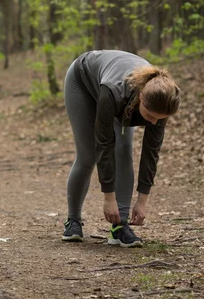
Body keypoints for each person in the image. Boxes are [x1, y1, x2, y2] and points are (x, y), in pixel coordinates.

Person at [61, 50, 180, 247]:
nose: (153, 122)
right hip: (82, 82)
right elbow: (105, 144)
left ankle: (119, 227)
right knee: (89, 154)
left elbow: (151, 153)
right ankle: (73, 220)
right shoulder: (114, 92)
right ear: (141, 98)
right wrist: (109, 198)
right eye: (150, 116)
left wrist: (142, 201)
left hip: (118, 92)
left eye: (159, 119)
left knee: (124, 150)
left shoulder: (160, 103)